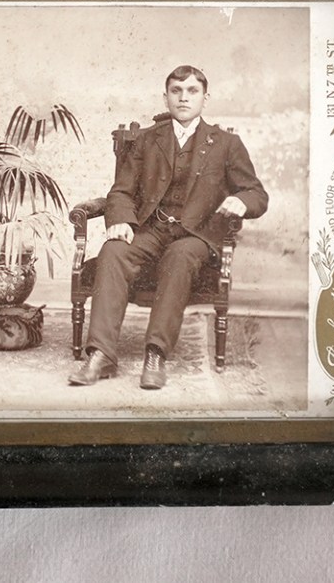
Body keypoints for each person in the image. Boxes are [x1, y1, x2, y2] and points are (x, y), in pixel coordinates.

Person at [69, 65, 268, 390]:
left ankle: (156, 354)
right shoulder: (147, 140)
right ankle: (101, 355)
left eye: (192, 91)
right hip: (150, 229)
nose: (183, 98)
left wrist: (241, 201)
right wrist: (121, 220)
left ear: (205, 98)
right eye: (176, 91)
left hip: (196, 235)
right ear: (166, 97)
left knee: (180, 256)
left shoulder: (227, 144)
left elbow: (256, 193)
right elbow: (121, 191)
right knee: (113, 250)